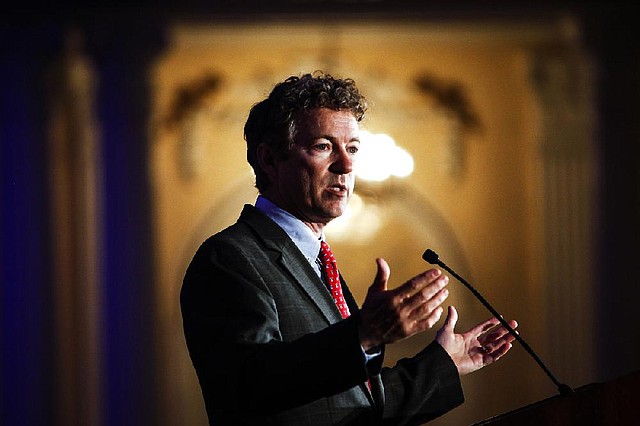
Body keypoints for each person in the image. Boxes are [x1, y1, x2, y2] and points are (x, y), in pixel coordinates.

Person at [181, 72, 517, 426]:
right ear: (269, 159)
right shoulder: (230, 258)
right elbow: (250, 386)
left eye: (352, 148)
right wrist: (364, 334)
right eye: (323, 146)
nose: (346, 165)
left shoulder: (315, 260)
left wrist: (445, 364)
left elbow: (354, 408)